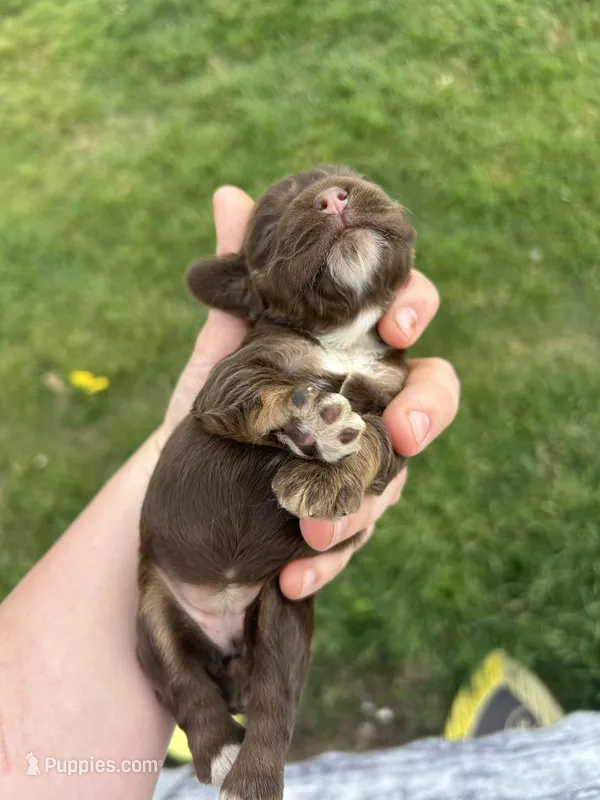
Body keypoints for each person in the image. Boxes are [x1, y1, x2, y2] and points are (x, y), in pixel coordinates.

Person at [0, 186, 460, 800]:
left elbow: (378, 454)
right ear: (249, 290)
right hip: (169, 564)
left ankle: (260, 771)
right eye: (280, 223)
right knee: (169, 651)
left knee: (285, 648)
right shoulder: (267, 345)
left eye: (342, 181)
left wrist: (355, 464)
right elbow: (224, 401)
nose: (330, 198)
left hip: (265, 587)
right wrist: (295, 411)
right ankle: (208, 733)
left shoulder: (394, 375)